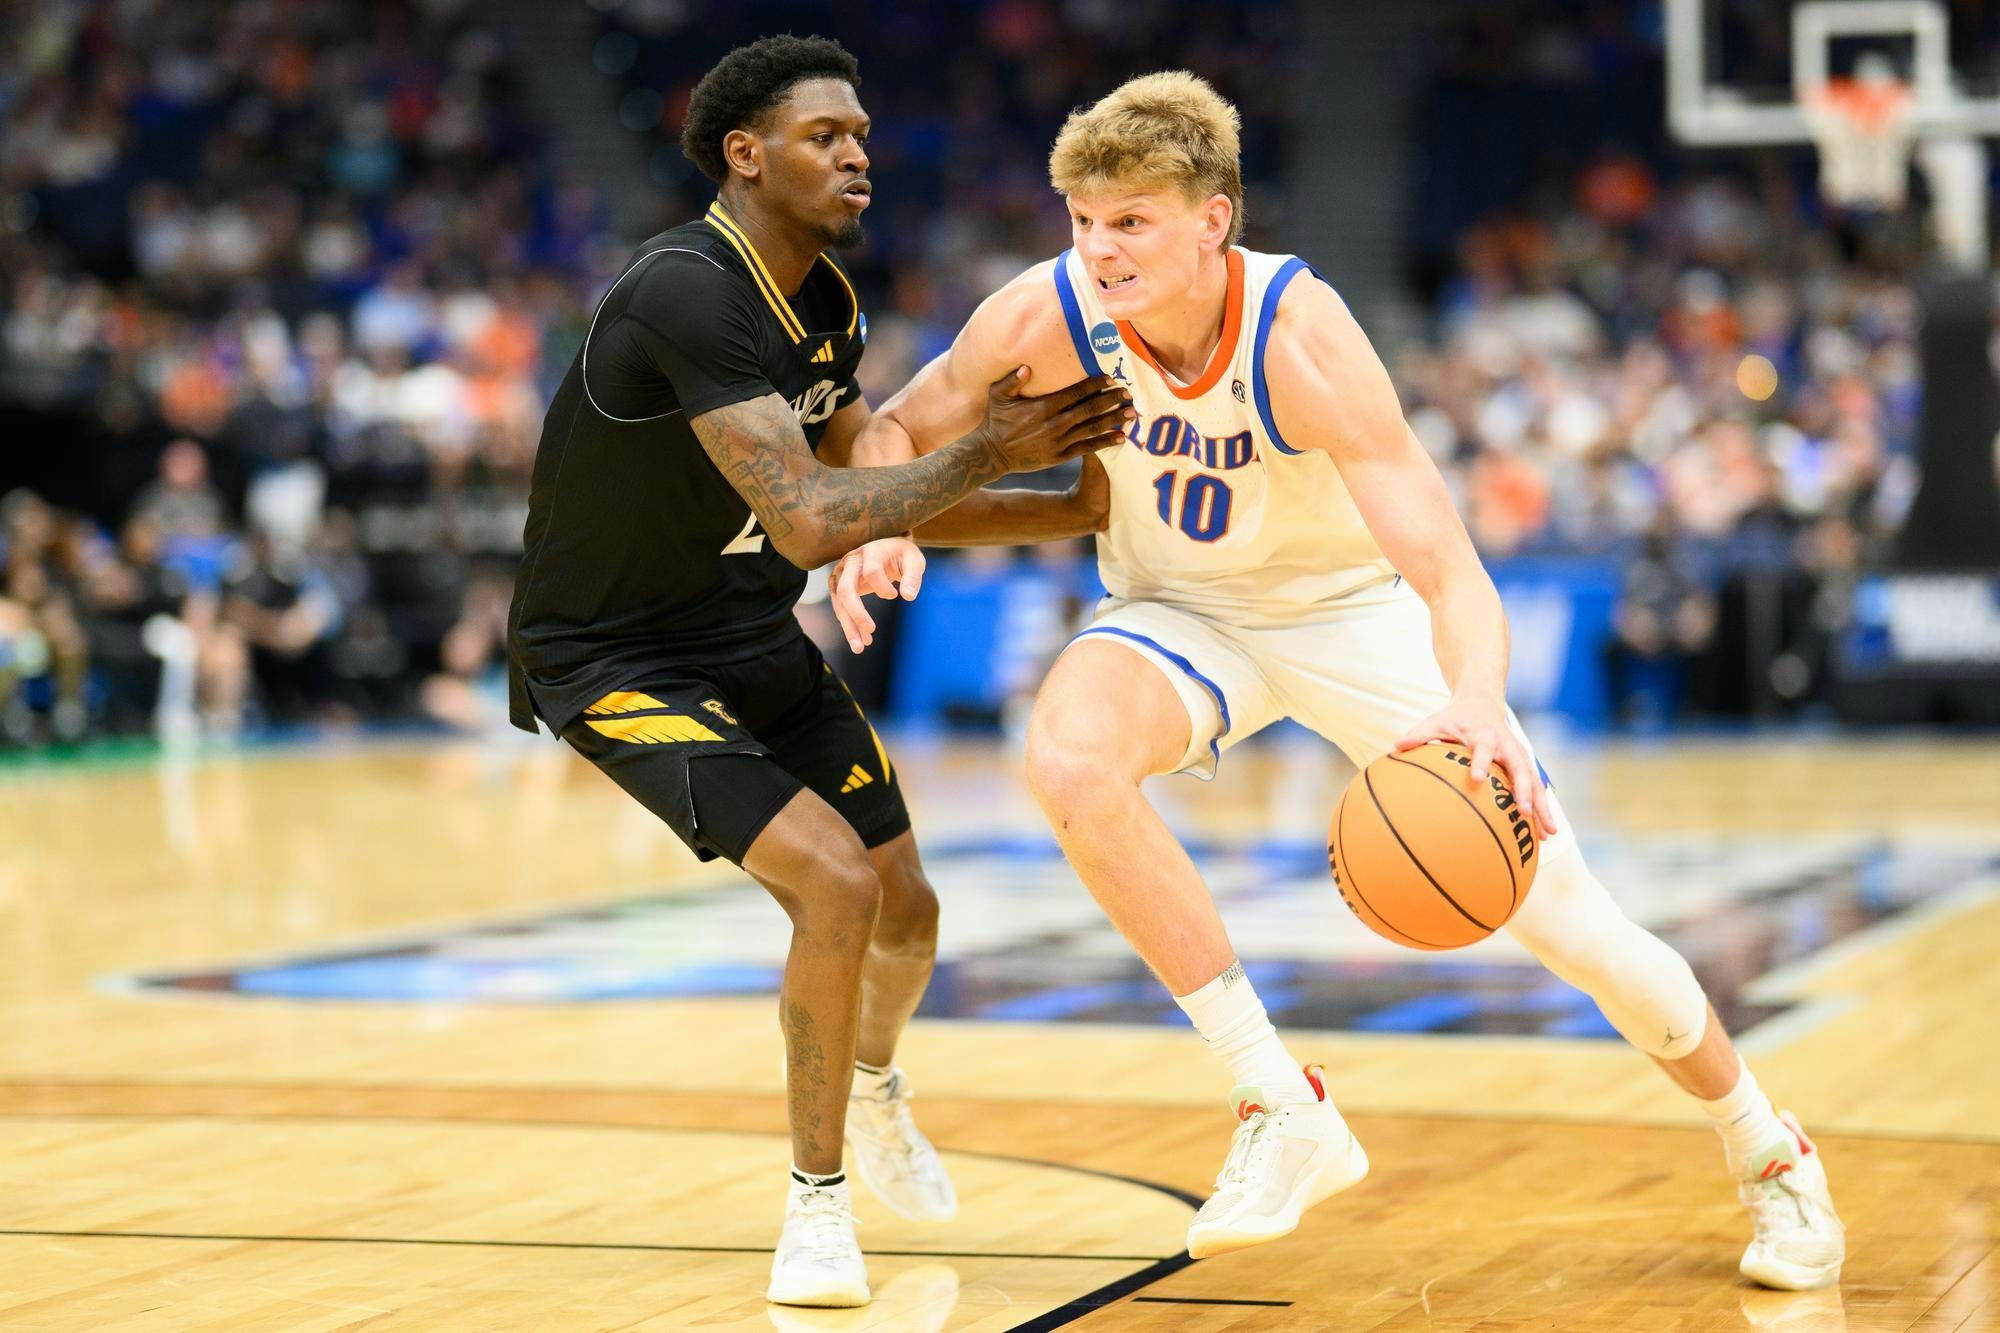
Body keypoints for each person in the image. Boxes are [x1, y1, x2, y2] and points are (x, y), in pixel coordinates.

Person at [832, 71, 1844, 1291]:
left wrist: (1470, 700)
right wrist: (877, 522)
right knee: (1066, 758)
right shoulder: (1048, 310)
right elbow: (890, 424)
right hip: (1179, 611)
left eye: (1131, 222)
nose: (1099, 249)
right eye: (1084, 221)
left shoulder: (1300, 338)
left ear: (1213, 221)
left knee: (1572, 923)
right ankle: (1276, 1098)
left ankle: (1768, 1151)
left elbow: (1450, 569)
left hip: (1348, 616)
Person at [503, 36, 1131, 1309]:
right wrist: (990, 452)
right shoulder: (685, 288)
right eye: (822, 136)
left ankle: (879, 1087)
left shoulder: (828, 306)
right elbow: (808, 519)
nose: (856, 154)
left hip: (745, 637)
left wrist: (1079, 503)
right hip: (613, 655)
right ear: (744, 156)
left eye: (860, 135)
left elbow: (875, 502)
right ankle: (816, 1208)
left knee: (911, 911)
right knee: (833, 888)